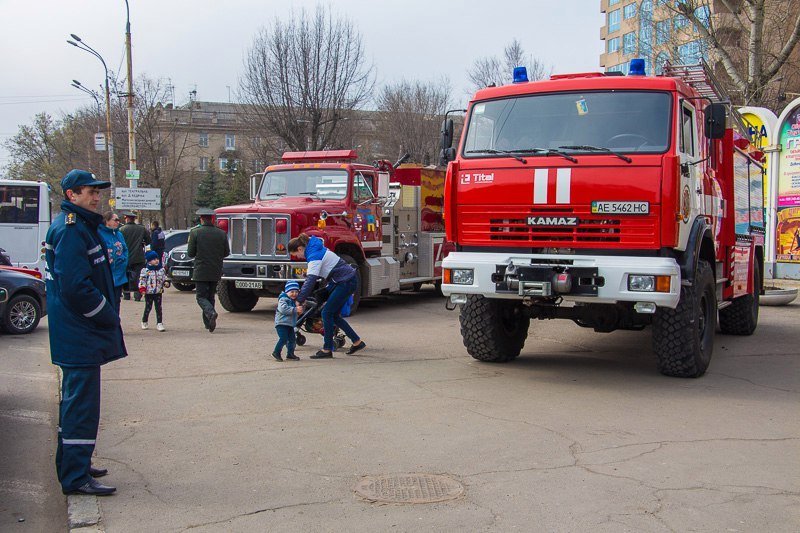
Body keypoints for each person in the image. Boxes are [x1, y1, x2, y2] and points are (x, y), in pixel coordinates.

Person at [45, 169, 127, 496]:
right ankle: (76, 477)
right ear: (71, 196)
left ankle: (76, 464)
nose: (96, 197)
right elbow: (77, 288)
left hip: (77, 333)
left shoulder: (79, 226)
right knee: (81, 407)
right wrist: (107, 315)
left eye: (97, 191)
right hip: (79, 334)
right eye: (90, 192)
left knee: (76, 406)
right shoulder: (70, 231)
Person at [287, 233, 365, 359]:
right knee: (333, 315)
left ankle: (327, 349)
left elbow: (311, 280)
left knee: (326, 313)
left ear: (300, 249)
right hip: (344, 280)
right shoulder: (314, 248)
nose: (299, 257)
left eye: (297, 254)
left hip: (344, 281)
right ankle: (357, 342)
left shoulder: (313, 255)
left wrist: (299, 300)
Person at [187, 207, 229, 332]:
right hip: (215, 269)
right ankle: (208, 324)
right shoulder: (221, 233)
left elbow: (190, 253)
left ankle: (211, 313)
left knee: (200, 297)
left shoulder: (195, 233)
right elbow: (226, 252)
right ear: (212, 219)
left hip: (201, 269)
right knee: (210, 296)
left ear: (201, 219)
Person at [98, 211, 129, 312]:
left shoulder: (119, 234)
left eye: (118, 220)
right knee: (105, 303)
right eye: (115, 220)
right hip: (105, 275)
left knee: (116, 302)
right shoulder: (98, 233)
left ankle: (116, 323)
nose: (118, 222)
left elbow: (125, 249)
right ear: (107, 221)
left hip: (119, 275)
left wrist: (124, 261)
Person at [119, 211, 150, 301]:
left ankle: (126, 294)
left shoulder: (122, 230)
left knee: (126, 275)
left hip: (125, 257)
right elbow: (148, 240)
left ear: (127, 219)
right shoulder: (142, 229)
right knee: (138, 276)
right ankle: (137, 295)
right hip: (138, 256)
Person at [138, 250, 169, 331]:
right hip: (149, 292)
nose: (156, 260)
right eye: (153, 259)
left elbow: (164, 278)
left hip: (158, 292)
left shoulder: (161, 270)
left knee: (158, 308)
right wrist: (142, 289)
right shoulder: (145, 271)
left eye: (157, 259)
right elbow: (142, 281)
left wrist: (166, 283)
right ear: (149, 261)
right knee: (148, 307)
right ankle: (144, 321)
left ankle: (159, 323)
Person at [273, 280, 300, 361]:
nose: (294, 294)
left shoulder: (293, 300)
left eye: (296, 292)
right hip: (281, 324)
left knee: (292, 339)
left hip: (290, 324)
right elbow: (283, 309)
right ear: (287, 291)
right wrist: (295, 309)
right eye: (292, 291)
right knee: (283, 339)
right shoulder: (283, 299)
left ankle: (290, 354)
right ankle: (276, 352)